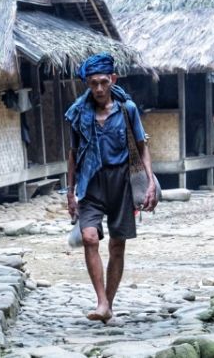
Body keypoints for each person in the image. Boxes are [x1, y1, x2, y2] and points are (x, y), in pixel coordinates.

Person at [65, 53, 158, 323]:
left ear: (113, 79)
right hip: (90, 184)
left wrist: (150, 181)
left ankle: (109, 303)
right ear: (88, 84)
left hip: (122, 183)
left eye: (104, 82)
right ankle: (101, 301)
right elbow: (72, 153)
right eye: (93, 83)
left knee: (117, 246)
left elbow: (142, 147)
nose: (99, 89)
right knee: (90, 238)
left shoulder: (127, 109)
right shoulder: (78, 113)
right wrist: (70, 191)